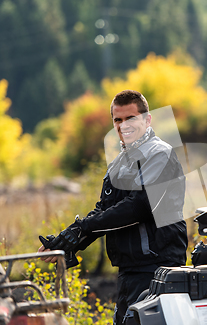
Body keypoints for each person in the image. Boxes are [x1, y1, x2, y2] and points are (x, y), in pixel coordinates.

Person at [38, 90, 188, 325]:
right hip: (129, 268)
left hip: (158, 266)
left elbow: (139, 207)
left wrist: (83, 225)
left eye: (130, 118)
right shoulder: (119, 163)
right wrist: (71, 238)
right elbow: (104, 211)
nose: (123, 125)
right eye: (117, 120)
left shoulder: (160, 154)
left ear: (147, 120)